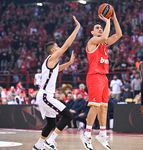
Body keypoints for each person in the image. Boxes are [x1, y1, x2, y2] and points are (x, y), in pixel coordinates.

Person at [32, 15, 80, 150]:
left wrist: (69, 63)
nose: (59, 48)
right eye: (57, 47)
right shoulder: (52, 58)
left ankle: (38, 145)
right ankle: (50, 141)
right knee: (68, 115)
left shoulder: (50, 62)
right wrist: (77, 28)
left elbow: (57, 69)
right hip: (46, 95)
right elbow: (67, 44)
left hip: (45, 96)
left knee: (51, 124)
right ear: (53, 50)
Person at [80, 10, 122, 150]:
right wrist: (107, 21)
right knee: (95, 106)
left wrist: (114, 18)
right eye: (97, 28)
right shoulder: (92, 41)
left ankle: (102, 134)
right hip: (94, 76)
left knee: (104, 107)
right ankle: (87, 135)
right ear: (92, 32)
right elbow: (104, 37)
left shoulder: (104, 44)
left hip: (103, 77)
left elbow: (119, 35)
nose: (100, 29)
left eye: (101, 27)